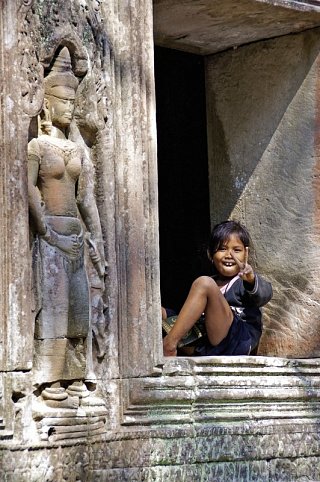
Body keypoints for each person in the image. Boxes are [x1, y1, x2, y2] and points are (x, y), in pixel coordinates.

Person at [28, 46, 105, 392]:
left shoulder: (75, 151)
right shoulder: (37, 147)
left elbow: (85, 197)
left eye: (73, 100)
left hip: (75, 234)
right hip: (52, 234)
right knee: (55, 307)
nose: (69, 106)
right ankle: (50, 378)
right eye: (63, 99)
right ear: (46, 102)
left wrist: (98, 239)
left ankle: (75, 374)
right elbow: (29, 190)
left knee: (78, 309)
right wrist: (46, 232)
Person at [162, 220, 272, 357]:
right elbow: (187, 316)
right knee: (157, 311)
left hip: (236, 341)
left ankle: (169, 345)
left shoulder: (243, 282)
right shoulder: (211, 284)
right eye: (222, 249)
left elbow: (264, 295)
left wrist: (251, 279)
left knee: (204, 283)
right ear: (210, 254)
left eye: (237, 250)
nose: (229, 255)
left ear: (246, 254)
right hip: (206, 341)